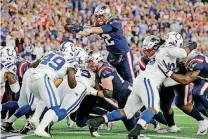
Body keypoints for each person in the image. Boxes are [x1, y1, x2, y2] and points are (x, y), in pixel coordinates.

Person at [64, 4, 135, 83]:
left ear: (107, 14)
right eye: (97, 16)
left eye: (101, 16)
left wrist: (81, 27)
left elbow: (97, 30)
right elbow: (88, 32)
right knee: (110, 77)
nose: (98, 18)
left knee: (130, 78)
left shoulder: (114, 21)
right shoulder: (98, 24)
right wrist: (76, 31)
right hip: (112, 55)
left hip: (124, 54)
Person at [27, 41, 77, 137]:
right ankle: (40, 129)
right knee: (55, 107)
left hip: (32, 79)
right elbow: (72, 85)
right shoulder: (68, 64)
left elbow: (32, 65)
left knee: (44, 100)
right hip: (43, 78)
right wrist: (71, 71)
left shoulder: (49, 54)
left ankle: (35, 118)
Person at [158, 50, 208, 135]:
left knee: (195, 95)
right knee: (164, 104)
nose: (180, 61)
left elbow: (185, 80)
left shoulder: (195, 62)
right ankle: (172, 126)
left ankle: (202, 121)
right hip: (176, 78)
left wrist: (168, 72)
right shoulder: (165, 52)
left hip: (189, 79)